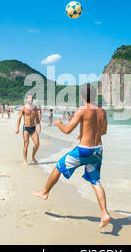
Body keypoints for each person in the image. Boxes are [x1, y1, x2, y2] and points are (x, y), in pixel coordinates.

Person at [33, 84, 110, 229]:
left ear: (82, 97)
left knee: (58, 167)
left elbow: (67, 130)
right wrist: (86, 131)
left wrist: (58, 124)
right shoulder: (102, 111)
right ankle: (104, 213)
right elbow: (103, 131)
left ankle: (44, 192)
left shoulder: (82, 110)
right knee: (95, 181)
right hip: (98, 151)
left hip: (84, 151)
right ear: (95, 96)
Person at [16, 94, 41, 166]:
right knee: (26, 144)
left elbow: (37, 119)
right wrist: (17, 128)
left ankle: (33, 157)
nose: (31, 99)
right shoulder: (23, 108)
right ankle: (25, 160)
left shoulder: (35, 108)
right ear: (27, 99)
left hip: (33, 128)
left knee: (37, 144)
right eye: (29, 98)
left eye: (32, 98)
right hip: (26, 128)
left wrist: (39, 126)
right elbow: (19, 118)